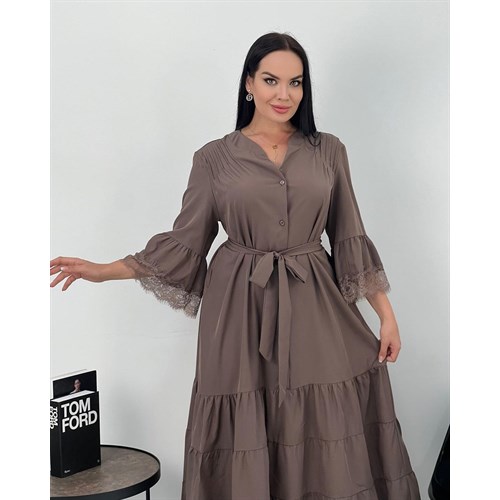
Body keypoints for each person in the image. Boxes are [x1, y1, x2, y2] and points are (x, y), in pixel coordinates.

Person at [50, 32, 421, 500]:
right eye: (270, 80)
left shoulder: (329, 151)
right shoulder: (213, 159)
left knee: (325, 412)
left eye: (295, 82)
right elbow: (186, 242)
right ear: (248, 83)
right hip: (239, 311)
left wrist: (386, 315)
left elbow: (350, 235)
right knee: (243, 412)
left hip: (317, 307)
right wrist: (104, 270)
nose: (284, 94)